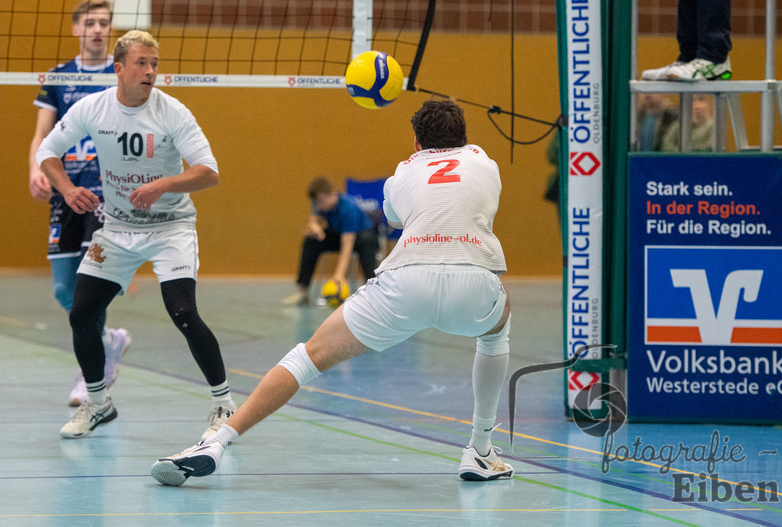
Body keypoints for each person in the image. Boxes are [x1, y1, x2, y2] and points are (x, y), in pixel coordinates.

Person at [151, 99, 514, 486]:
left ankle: (216, 442)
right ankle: (479, 449)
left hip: (405, 283)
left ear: (415, 141)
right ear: (464, 137)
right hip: (474, 283)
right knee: (496, 331)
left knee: (308, 357)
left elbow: (395, 217)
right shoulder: (486, 164)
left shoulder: (403, 173)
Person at [36, 30, 237, 440]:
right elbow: (47, 152)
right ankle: (98, 404)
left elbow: (209, 173)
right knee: (81, 314)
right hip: (118, 228)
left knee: (182, 312)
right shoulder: (94, 108)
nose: (150, 72)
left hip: (170, 229)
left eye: (155, 64)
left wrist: (163, 184)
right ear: (119, 69)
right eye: (142, 64)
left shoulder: (171, 111)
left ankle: (224, 405)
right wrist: (68, 188)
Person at [28, 0, 130, 407]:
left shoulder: (120, 73)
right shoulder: (58, 77)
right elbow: (42, 134)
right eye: (90, 23)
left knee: (92, 287)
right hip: (65, 189)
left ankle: (91, 377)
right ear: (76, 30)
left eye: (104, 23)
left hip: (107, 192)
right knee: (63, 289)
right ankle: (108, 343)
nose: (98, 30)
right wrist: (36, 168)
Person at [283, 176, 381, 306]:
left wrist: (338, 276)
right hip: (338, 233)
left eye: (322, 201)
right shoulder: (319, 203)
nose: (320, 205)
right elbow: (314, 219)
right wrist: (315, 227)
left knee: (366, 244)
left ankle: (372, 294)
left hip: (361, 235)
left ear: (332, 194)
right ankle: (303, 291)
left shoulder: (348, 208)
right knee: (311, 241)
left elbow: (347, 244)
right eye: (317, 202)